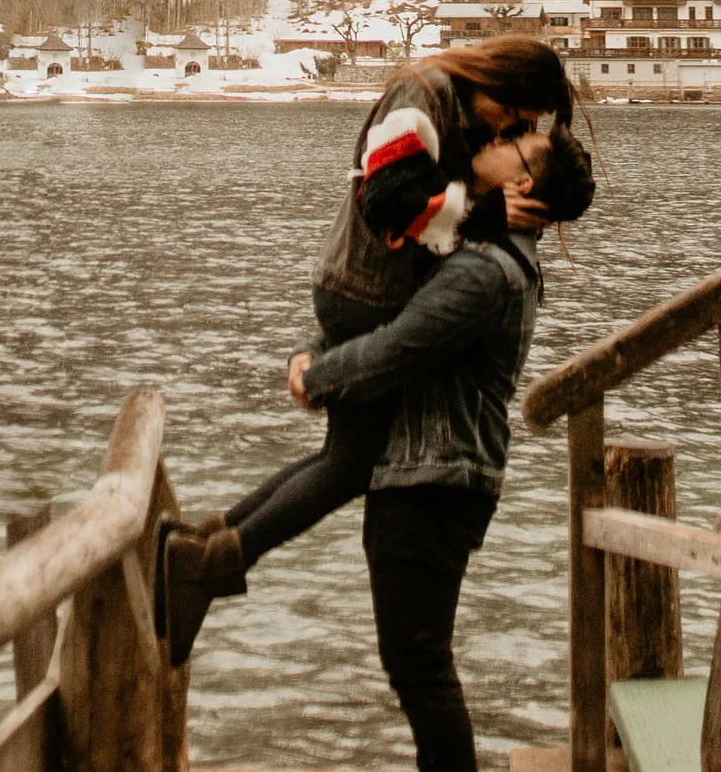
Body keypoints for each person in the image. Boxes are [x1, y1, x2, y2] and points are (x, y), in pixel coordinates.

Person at [156, 37, 583, 665]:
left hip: (365, 288)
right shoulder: (424, 95)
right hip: (365, 290)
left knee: (344, 457)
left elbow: (425, 201)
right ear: (504, 86)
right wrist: (485, 210)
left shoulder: (451, 112)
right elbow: (386, 198)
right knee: (351, 464)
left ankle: (202, 545)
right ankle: (203, 564)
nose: (511, 129)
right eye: (518, 118)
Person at [308, 116, 598, 772]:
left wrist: (316, 375)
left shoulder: (487, 273)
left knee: (417, 657)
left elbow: (398, 346)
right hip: (427, 469)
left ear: (523, 186)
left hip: (440, 476)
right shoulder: (483, 253)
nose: (494, 142)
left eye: (515, 148)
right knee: (413, 651)